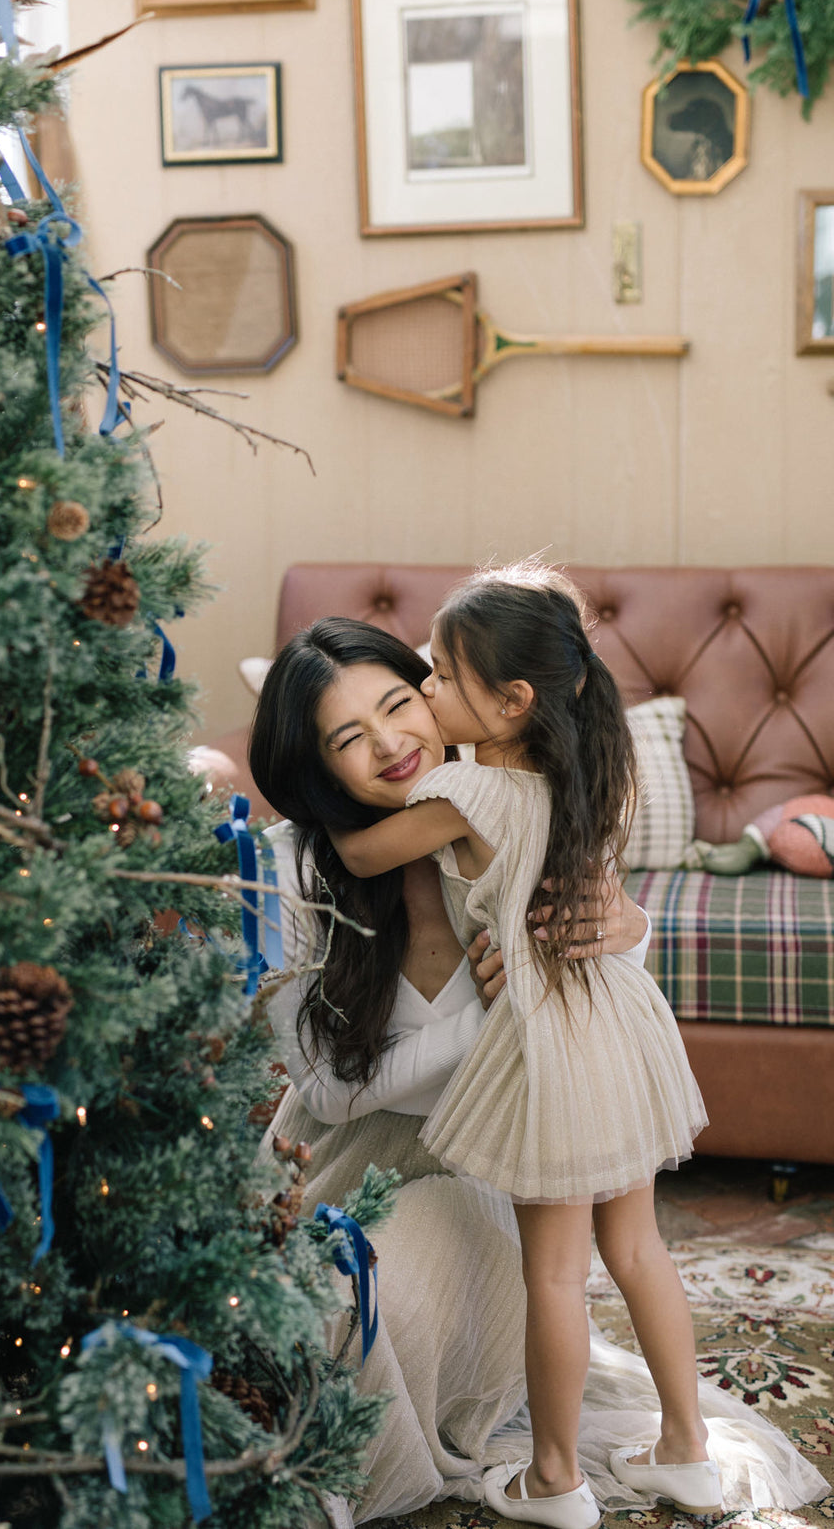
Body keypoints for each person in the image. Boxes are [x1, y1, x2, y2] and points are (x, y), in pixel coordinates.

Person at [248, 612, 825, 1527]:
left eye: (405, 698)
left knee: (465, 1290)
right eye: (347, 738)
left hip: (492, 1157)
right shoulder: (294, 871)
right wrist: (497, 1019)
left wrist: (625, 927)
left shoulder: (487, 814)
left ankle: (558, 1470)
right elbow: (324, 1088)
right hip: (352, 1165)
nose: (392, 741)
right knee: (358, 1303)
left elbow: (594, 971)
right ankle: (656, 1452)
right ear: (314, 765)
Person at [327, 562, 715, 1527]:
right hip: (625, 1021)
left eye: (442, 680)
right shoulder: (587, 773)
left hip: (554, 1048)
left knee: (553, 1272)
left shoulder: (468, 792)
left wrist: (314, 778)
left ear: (512, 702)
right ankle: (687, 1451)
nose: (425, 694)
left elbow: (361, 852)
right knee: (640, 1249)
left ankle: (555, 1479)